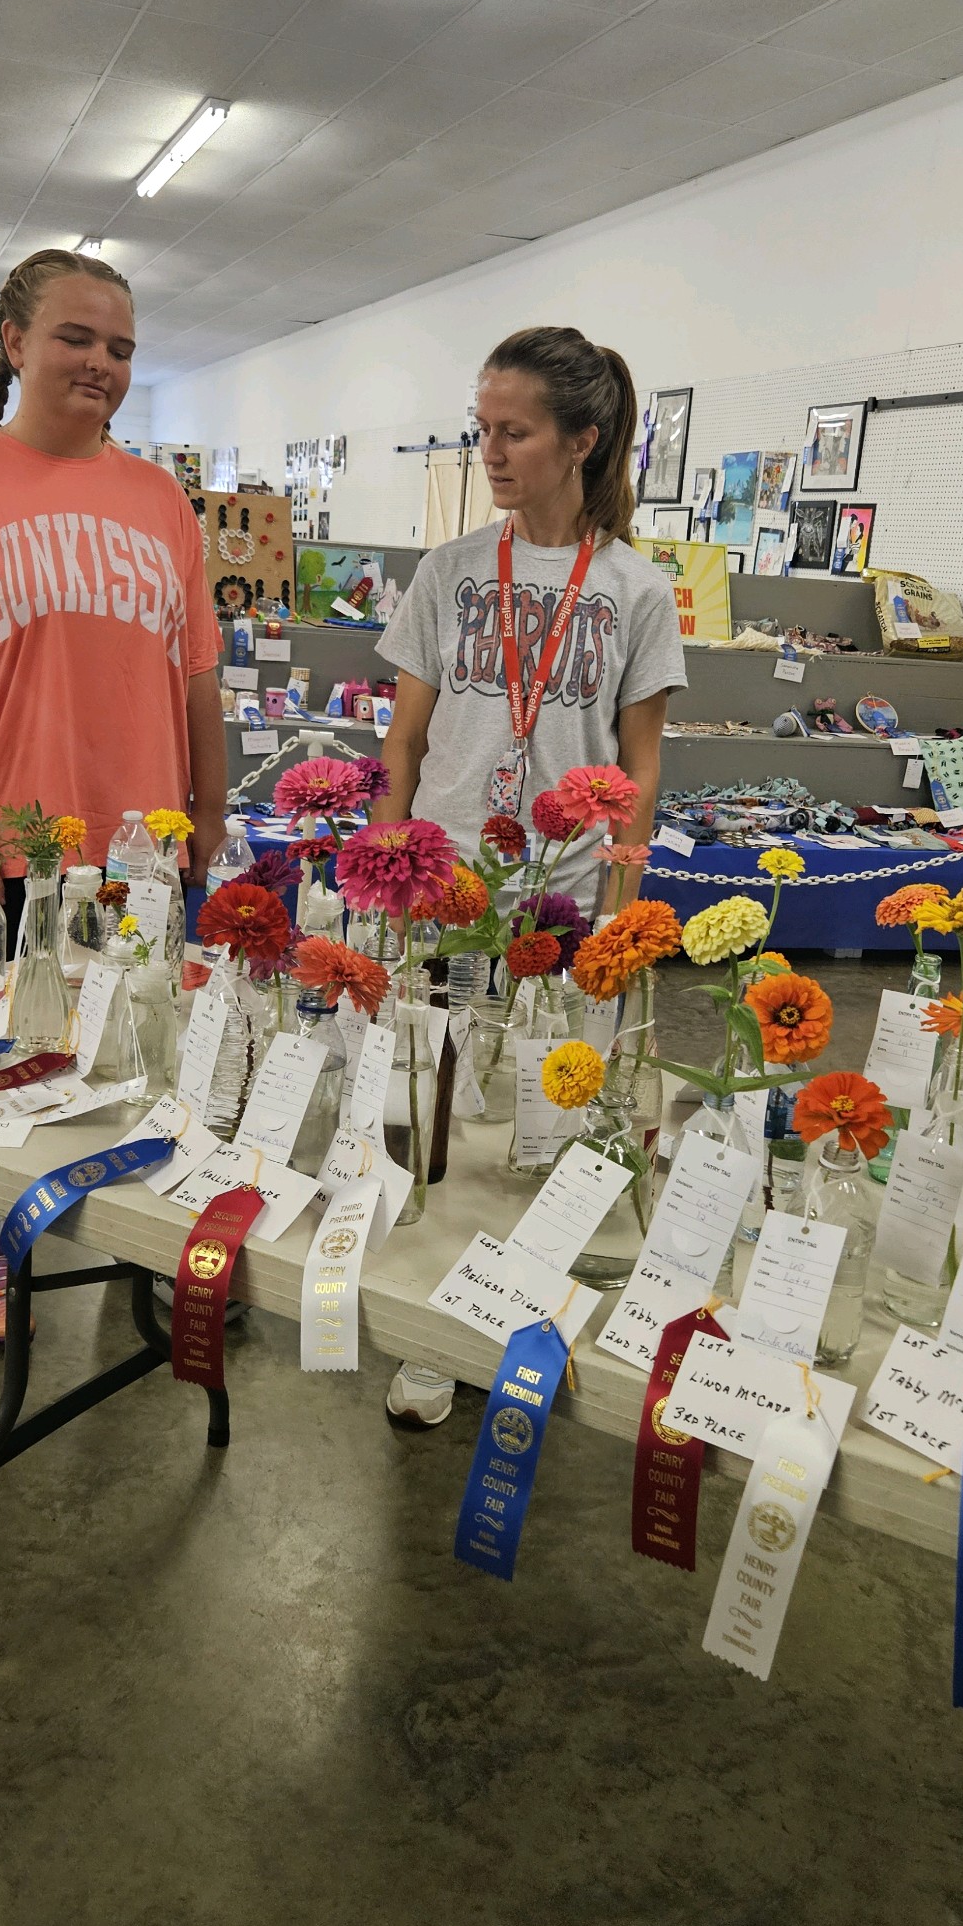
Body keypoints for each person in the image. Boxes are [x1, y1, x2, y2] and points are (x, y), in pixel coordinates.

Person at [0, 246, 226, 1343]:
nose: (101, 364)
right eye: (75, 337)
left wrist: (208, 818)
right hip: (15, 843)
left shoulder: (160, 499)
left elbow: (197, 676)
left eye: (120, 347)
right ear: (16, 342)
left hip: (145, 851)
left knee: (156, 1055)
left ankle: (162, 1244)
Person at [372, 324, 687, 1425]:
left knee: (545, 1122)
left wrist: (624, 908)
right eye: (483, 429)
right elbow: (403, 743)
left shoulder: (637, 590)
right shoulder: (449, 571)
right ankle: (431, 1330)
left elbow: (639, 764)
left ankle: (522, 1311)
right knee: (442, 1110)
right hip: (451, 889)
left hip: (567, 896)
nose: (491, 452)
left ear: (581, 440)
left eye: (513, 433)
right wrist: (385, 867)